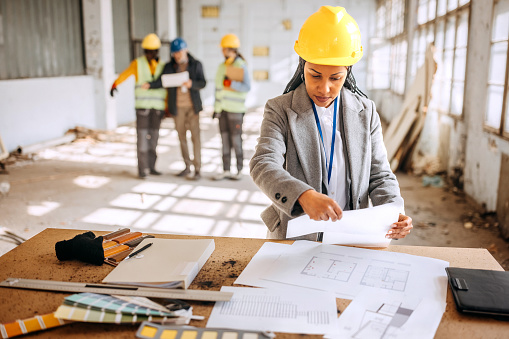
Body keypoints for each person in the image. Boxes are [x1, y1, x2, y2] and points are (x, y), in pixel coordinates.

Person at [249, 6, 413, 240]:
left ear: (348, 72)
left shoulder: (366, 112)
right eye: (315, 75)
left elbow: (380, 174)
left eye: (335, 78)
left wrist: (393, 210)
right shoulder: (280, 109)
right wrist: (302, 195)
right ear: (301, 66)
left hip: (352, 235)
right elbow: (263, 163)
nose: (324, 88)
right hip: (295, 236)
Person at [143, 38, 206, 180]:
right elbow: (161, 81)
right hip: (177, 108)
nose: (177, 55)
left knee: (195, 138)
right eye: (174, 53)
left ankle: (197, 168)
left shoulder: (196, 65)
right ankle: (187, 166)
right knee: (182, 137)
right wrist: (150, 85)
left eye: (179, 52)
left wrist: (192, 84)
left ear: (186, 50)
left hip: (192, 107)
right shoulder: (169, 67)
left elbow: (203, 83)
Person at [110, 33, 167, 179]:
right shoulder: (138, 63)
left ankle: (152, 166)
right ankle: (142, 169)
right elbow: (126, 74)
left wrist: (167, 107)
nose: (149, 54)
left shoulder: (163, 65)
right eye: (147, 51)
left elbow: (166, 87)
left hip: (157, 109)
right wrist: (115, 83)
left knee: (154, 138)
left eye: (152, 51)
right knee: (142, 138)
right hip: (142, 108)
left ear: (157, 51)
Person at [213, 33, 251, 180]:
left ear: (232, 49)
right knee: (224, 140)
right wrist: (216, 110)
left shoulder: (241, 66)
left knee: (236, 141)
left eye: (224, 49)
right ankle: (226, 170)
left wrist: (231, 84)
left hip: (236, 111)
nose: (222, 51)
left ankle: (239, 170)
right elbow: (217, 89)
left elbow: (247, 87)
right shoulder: (221, 67)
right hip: (222, 110)